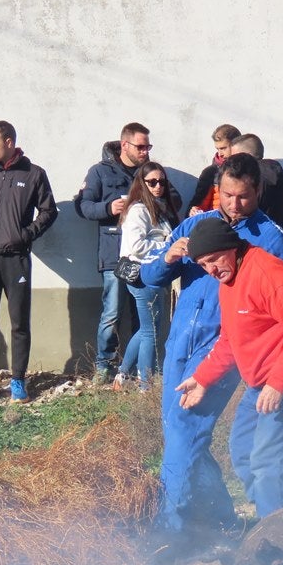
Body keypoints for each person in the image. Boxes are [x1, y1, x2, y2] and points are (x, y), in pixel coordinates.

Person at [140, 153, 283, 556]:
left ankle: (171, 529)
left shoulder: (269, 237)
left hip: (224, 348)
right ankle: (223, 521)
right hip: (180, 339)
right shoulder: (195, 223)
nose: (235, 205)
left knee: (185, 427)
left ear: (258, 192)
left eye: (245, 196)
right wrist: (168, 259)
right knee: (178, 433)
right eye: (228, 194)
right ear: (218, 187)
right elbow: (148, 278)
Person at [176, 218, 283, 517]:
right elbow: (231, 338)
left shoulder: (269, 274)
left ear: (231, 248)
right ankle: (273, 518)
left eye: (213, 260)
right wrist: (203, 377)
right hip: (264, 379)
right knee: (244, 450)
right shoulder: (229, 279)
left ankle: (281, 540)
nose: (210, 269)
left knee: (269, 461)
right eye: (202, 264)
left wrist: (278, 383)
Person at [74, 122, 181, 385]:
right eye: (140, 146)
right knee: (112, 314)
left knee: (142, 320)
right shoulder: (100, 171)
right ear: (125, 145)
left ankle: (131, 371)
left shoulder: (151, 174)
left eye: (148, 147)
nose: (145, 151)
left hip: (149, 264)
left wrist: (153, 194)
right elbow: (83, 206)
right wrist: (108, 208)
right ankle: (105, 366)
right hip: (115, 255)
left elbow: (173, 199)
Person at [0, 120, 58, 404]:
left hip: (16, 260)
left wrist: (26, 234)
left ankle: (18, 381)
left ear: (8, 143)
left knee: (19, 323)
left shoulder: (33, 174)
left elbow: (48, 211)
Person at [114, 162, 181, 392]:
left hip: (152, 275)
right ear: (142, 183)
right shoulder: (138, 210)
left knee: (145, 329)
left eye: (162, 181)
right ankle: (145, 386)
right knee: (151, 331)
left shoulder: (157, 207)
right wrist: (166, 244)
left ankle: (122, 375)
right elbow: (136, 245)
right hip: (141, 276)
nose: (158, 186)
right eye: (152, 182)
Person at [229, 133, 283, 233]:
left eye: (235, 157)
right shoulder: (274, 174)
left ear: (248, 156)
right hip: (277, 236)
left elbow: (245, 214)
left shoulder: (254, 177)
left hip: (256, 238)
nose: (232, 162)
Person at [186, 123, 241, 217]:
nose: (220, 154)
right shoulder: (210, 173)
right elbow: (199, 203)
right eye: (217, 149)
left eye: (223, 148)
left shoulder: (249, 170)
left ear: (236, 145)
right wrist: (194, 211)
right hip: (218, 224)